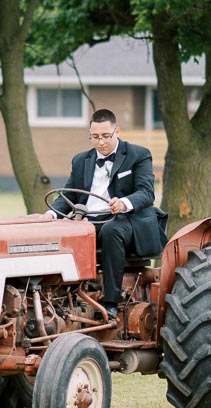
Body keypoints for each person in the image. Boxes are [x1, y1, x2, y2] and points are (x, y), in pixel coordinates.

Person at [46, 108, 166, 318]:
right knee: (62, 233)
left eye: (105, 136)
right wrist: (50, 215)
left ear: (117, 131)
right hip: (90, 220)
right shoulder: (81, 160)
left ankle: (111, 302)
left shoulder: (139, 155)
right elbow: (69, 195)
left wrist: (124, 203)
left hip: (126, 219)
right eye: (95, 137)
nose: (100, 142)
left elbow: (146, 193)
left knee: (111, 231)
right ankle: (65, 297)